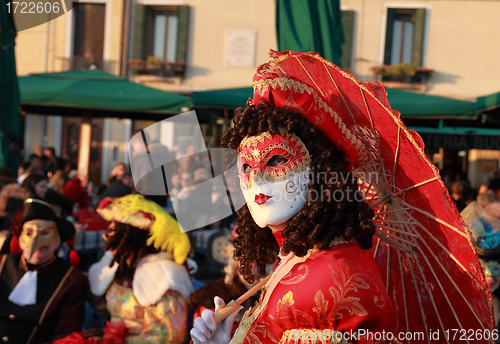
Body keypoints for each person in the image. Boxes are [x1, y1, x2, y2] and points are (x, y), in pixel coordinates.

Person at [191, 105, 394, 341]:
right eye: (246, 167)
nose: (256, 177)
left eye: (276, 160)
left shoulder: (329, 273)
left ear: (319, 171)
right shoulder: (299, 255)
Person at [88, 194, 193, 343]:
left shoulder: (164, 277)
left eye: (117, 232)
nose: (108, 236)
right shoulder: (120, 266)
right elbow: (103, 310)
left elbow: (169, 337)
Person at [0, 198, 87, 343]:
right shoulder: (2, 263)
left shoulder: (70, 279)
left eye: (45, 233)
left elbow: (66, 334)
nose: (36, 242)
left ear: (58, 240)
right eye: (29, 233)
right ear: (20, 238)